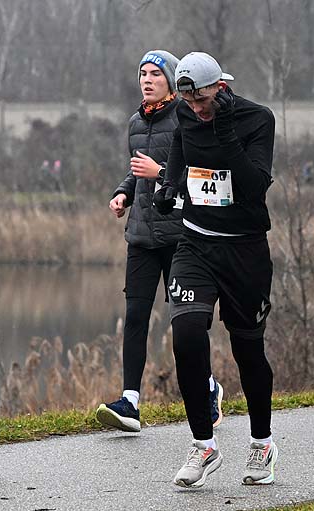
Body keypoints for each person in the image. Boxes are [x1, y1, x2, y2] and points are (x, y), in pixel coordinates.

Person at [153, 52, 277, 488]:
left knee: (248, 351)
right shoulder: (187, 114)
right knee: (186, 334)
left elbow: (255, 184)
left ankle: (262, 442)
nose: (196, 110)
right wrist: (169, 186)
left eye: (202, 101)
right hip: (196, 243)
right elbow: (179, 151)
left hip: (244, 251)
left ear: (220, 88)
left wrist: (224, 131)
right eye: (188, 102)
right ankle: (203, 444)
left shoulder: (257, 119)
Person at [97, 50, 224, 433]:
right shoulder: (136, 122)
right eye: (142, 74)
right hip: (140, 235)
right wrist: (124, 193)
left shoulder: (186, 117)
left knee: (183, 322)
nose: (147, 80)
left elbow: (200, 175)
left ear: (171, 80)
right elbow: (137, 171)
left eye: (155, 74)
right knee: (135, 317)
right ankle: (130, 402)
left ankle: (207, 387)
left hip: (178, 235)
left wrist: (161, 171)